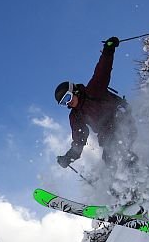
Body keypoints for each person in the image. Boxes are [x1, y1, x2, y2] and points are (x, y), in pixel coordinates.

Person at [55, 36, 137, 171]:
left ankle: (144, 180)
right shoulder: (76, 116)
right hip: (107, 134)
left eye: (68, 97)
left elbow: (103, 70)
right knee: (109, 159)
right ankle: (120, 188)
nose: (68, 102)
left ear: (74, 90)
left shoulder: (92, 91)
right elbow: (79, 140)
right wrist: (68, 158)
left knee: (119, 148)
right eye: (64, 102)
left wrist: (108, 50)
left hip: (121, 118)